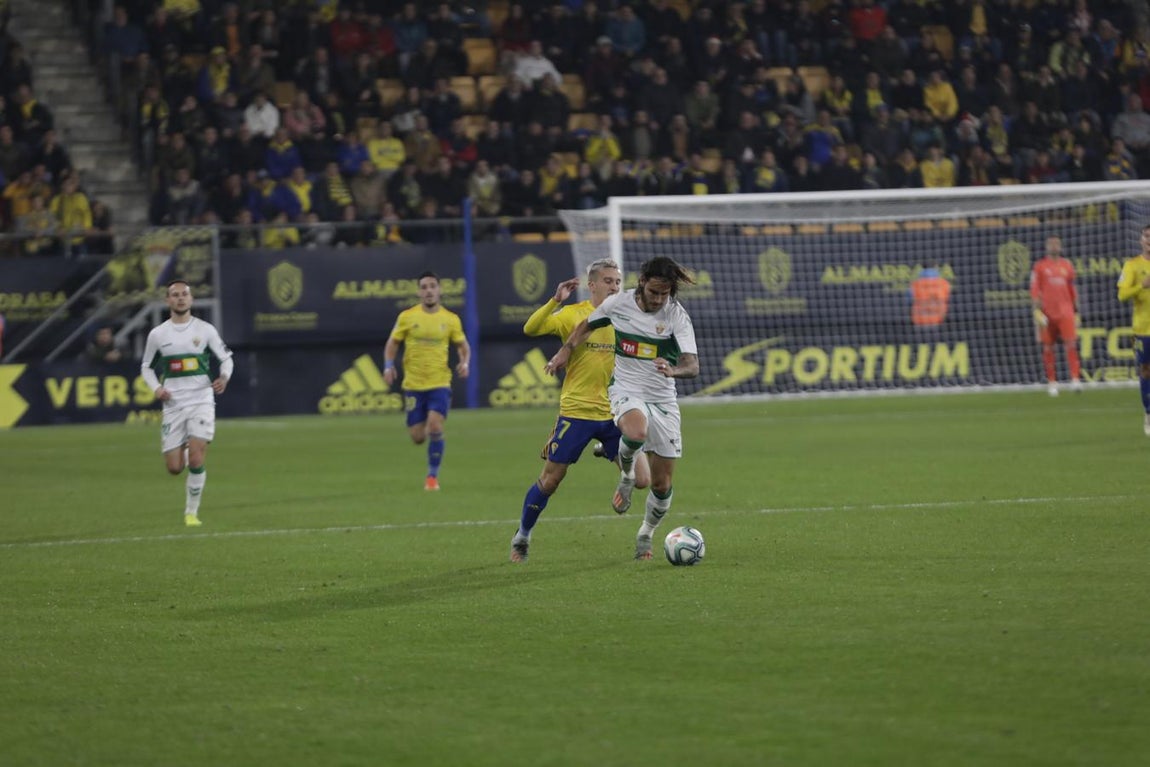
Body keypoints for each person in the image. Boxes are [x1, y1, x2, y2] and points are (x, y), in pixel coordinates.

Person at [544, 256, 699, 560]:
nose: (657, 299)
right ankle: (626, 475)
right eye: (653, 292)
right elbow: (585, 326)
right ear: (641, 283)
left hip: (663, 397)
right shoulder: (619, 304)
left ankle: (646, 533)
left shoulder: (676, 315)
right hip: (626, 389)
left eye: (664, 294)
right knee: (636, 431)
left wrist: (673, 370)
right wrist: (564, 353)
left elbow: (692, 365)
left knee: (661, 482)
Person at [509, 260, 652, 563]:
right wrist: (554, 301)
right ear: (593, 285)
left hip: (615, 412)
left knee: (642, 480)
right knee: (550, 481)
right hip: (577, 412)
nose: (615, 286)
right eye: (610, 281)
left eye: (618, 281)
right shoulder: (573, 315)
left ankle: (604, 447)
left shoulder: (625, 317)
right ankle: (523, 535)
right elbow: (530, 328)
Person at [140, 280, 234, 527]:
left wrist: (223, 377)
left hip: (201, 400)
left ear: (191, 300)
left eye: (184, 295)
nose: (180, 298)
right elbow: (146, 367)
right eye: (175, 295)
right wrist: (157, 388)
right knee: (174, 468)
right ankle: (185, 448)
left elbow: (226, 359)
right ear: (168, 301)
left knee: (196, 459)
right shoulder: (158, 334)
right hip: (173, 404)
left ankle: (191, 513)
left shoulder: (205, 330)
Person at [383, 271, 471, 490]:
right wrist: (388, 365)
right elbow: (392, 343)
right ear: (418, 292)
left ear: (439, 290)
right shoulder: (407, 317)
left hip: (440, 382)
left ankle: (432, 477)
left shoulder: (450, 319)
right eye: (424, 287)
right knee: (417, 437)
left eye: (432, 286)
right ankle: (430, 444)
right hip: (413, 385)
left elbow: (463, 346)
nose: (429, 290)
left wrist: (465, 362)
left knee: (434, 425)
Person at [1031, 235, 1081, 397]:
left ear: (1060, 247)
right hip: (1047, 313)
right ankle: (1052, 383)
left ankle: (1075, 380)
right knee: (1047, 347)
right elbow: (1034, 290)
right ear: (1046, 246)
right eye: (1051, 243)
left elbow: (1073, 290)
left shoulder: (1067, 265)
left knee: (1071, 345)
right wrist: (1037, 312)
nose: (1054, 246)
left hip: (1066, 312)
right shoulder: (1039, 266)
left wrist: (1076, 311)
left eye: (1056, 244)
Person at [1116, 224, 1150, 434]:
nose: (1149, 240)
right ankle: (1148, 413)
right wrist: (1142, 286)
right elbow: (1122, 295)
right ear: (1141, 240)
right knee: (1146, 370)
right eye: (1147, 236)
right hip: (1142, 330)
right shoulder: (1132, 265)